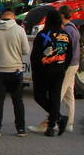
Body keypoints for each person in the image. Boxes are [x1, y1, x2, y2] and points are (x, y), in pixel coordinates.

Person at [0, 9, 31, 137]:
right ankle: (21, 129)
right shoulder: (19, 30)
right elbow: (26, 50)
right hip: (15, 70)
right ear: (13, 17)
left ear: (1, 17)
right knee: (18, 101)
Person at [30, 8, 73, 137]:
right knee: (55, 97)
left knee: (39, 96)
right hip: (59, 71)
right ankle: (52, 125)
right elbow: (69, 54)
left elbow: (35, 56)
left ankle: (58, 118)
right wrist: (63, 67)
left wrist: (35, 71)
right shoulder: (65, 36)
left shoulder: (42, 35)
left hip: (43, 71)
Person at [59, 5, 80, 132]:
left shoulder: (67, 31)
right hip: (75, 63)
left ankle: (51, 121)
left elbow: (65, 50)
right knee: (69, 94)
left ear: (62, 16)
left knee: (59, 93)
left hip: (69, 65)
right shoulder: (74, 29)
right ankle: (70, 123)